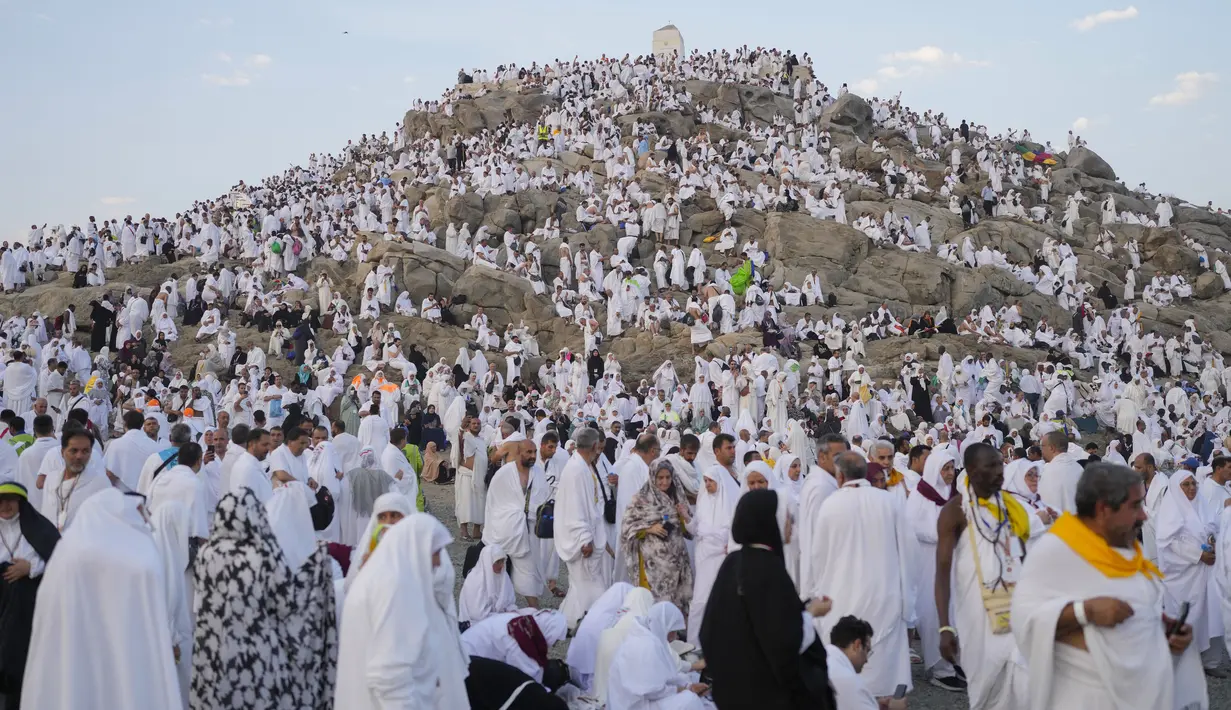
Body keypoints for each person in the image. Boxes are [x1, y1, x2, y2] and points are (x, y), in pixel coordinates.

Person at [1012, 462, 1206, 710]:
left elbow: (1137, 605)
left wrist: (1164, 629)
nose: (1144, 516)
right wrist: (1085, 612)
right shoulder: (1056, 551)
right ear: (1103, 509)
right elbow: (1023, 618)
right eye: (1135, 506)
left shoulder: (1125, 548)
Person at [21, 489, 182, 709]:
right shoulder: (142, 555)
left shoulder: (66, 554)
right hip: (130, 658)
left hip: (77, 657)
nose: (144, 518)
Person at [700, 488, 835, 709]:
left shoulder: (733, 563)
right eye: (788, 518)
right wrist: (811, 613)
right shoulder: (768, 569)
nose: (792, 525)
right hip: (765, 694)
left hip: (732, 692)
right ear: (773, 522)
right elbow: (784, 641)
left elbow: (710, 632)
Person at [335, 514, 470, 709]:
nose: (439, 563)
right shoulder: (391, 590)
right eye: (435, 552)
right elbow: (388, 676)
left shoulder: (386, 579)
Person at [934, 442, 1032, 709]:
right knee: (986, 693)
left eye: (1001, 464)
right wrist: (944, 627)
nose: (1001, 472)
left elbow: (1021, 556)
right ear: (973, 471)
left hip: (1015, 610)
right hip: (977, 616)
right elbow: (942, 573)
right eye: (992, 466)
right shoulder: (955, 511)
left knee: (1022, 682)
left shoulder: (1010, 506)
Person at [807, 451, 912, 700]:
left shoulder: (831, 505)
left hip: (841, 596)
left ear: (840, 475)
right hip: (885, 594)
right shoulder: (889, 502)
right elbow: (908, 551)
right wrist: (908, 595)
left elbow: (818, 557)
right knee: (885, 671)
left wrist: (817, 591)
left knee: (846, 670)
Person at [903, 448, 966, 691]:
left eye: (952, 468)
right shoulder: (920, 496)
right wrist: (945, 532)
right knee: (932, 615)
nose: (950, 473)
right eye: (945, 468)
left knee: (955, 611)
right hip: (928, 564)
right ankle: (938, 667)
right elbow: (913, 528)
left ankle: (954, 661)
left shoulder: (953, 495)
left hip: (952, 562)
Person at [0, 481, 59, 709]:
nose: (5, 505)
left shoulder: (40, 528)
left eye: (11, 500)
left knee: (20, 657)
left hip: (27, 603)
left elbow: (58, 558)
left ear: (21, 503)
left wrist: (31, 568)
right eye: (1, 500)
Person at [555, 426, 615, 629]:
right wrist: (584, 538)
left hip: (590, 534)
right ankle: (586, 622)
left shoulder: (583, 466)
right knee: (588, 585)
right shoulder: (576, 470)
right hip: (582, 540)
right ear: (594, 446)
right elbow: (575, 508)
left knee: (581, 584)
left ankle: (573, 620)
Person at [620, 458, 694, 612]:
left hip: (677, 559)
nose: (665, 482)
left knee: (678, 601)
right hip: (653, 564)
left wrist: (684, 515)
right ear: (653, 476)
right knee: (657, 604)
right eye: (660, 478)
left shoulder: (677, 496)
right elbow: (627, 526)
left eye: (668, 477)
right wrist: (648, 529)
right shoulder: (641, 499)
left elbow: (689, 530)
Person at [482, 438, 549, 607]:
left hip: (529, 530)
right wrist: (511, 516)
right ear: (519, 453)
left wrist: (531, 512)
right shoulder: (504, 474)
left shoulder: (539, 473)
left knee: (529, 572)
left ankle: (534, 609)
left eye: (535, 452)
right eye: (529, 452)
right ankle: (492, 607)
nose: (533, 456)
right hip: (505, 529)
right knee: (497, 570)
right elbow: (493, 502)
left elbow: (545, 498)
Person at [607, 601, 707, 710]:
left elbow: (666, 675)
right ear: (665, 626)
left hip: (639, 700)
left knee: (684, 679)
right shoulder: (647, 645)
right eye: (674, 631)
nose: (675, 637)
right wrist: (685, 690)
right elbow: (653, 692)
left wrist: (688, 686)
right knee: (689, 700)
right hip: (633, 706)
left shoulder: (646, 636)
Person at [460, 608, 568, 685]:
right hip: (467, 665)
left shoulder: (522, 623)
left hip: (470, 654)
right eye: (555, 640)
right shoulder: (519, 639)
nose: (554, 645)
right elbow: (528, 679)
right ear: (548, 632)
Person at [826, 615, 898, 710]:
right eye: (867, 651)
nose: (866, 660)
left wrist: (875, 705)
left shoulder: (823, 659)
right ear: (857, 645)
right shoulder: (848, 680)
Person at [458, 542, 517, 625]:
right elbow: (476, 614)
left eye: (502, 561)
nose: (501, 566)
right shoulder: (474, 580)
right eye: (497, 562)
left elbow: (510, 602)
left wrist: (512, 610)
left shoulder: (503, 576)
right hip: (477, 623)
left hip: (498, 617)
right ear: (488, 562)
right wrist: (502, 617)